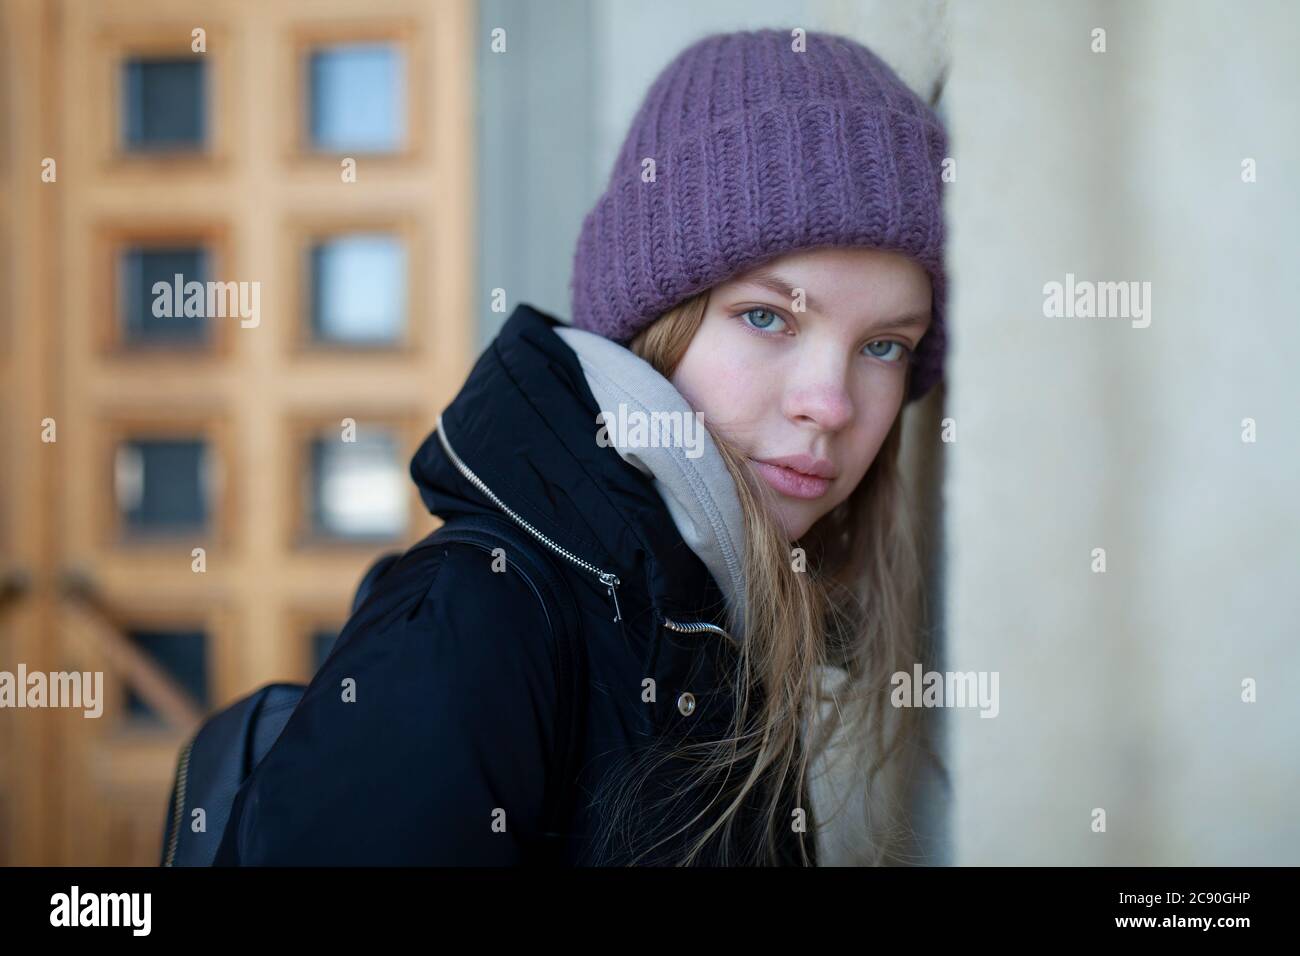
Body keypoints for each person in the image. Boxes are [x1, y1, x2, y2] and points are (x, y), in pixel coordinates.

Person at [215, 26, 948, 867]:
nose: (830, 403)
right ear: (654, 328)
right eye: (766, 317)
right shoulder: (480, 618)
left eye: (884, 345)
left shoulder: (726, 618)